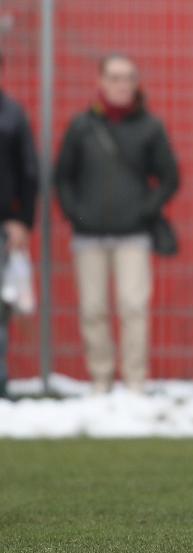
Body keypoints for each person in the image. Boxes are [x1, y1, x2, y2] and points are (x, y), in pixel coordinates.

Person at [56, 54, 179, 394]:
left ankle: (135, 384)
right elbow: (62, 176)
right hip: (88, 236)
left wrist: (145, 210)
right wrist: (74, 212)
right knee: (92, 309)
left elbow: (170, 177)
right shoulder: (81, 127)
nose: (121, 84)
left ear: (135, 84)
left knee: (133, 307)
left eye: (127, 78)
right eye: (114, 77)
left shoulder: (150, 127)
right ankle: (101, 381)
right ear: (100, 82)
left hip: (133, 235)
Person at [0, 49, 39, 399]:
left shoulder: (12, 115)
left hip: (2, 224)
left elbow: (29, 172)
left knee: (1, 309)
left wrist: (22, 220)